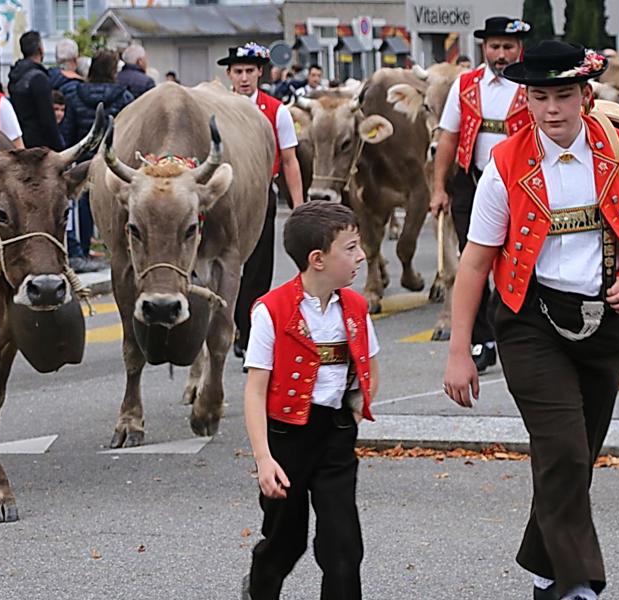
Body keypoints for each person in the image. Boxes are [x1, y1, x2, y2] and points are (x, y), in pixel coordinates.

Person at [442, 40, 619, 600]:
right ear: (524, 101)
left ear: (586, 96)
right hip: (529, 322)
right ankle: (578, 584)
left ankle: (542, 565)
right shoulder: (504, 166)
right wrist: (460, 350)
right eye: (540, 96)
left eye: (564, 95)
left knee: (575, 458)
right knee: (566, 451)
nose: (552, 109)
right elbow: (475, 262)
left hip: (607, 320)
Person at [241, 201, 379, 600]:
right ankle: (260, 588)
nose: (361, 256)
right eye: (350, 248)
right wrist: (264, 459)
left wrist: (355, 407)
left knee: (343, 547)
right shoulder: (272, 311)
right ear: (318, 259)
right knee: (285, 543)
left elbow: (369, 363)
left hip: (335, 436)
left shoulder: (355, 307)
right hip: (286, 438)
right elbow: (255, 389)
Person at [432, 16, 533, 373]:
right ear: (484, 48)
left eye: (507, 47)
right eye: (494, 46)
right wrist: (438, 187)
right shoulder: (466, 84)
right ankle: (481, 339)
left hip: (522, 186)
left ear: (519, 49)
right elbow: (448, 136)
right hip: (472, 184)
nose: (501, 54)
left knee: (519, 260)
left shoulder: (531, 82)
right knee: (471, 262)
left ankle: (516, 335)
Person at [218, 43, 305, 361]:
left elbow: (290, 160)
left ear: (260, 73)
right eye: (238, 71)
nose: (244, 78)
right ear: (229, 74)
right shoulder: (218, 108)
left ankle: (248, 333)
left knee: (257, 269)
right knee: (221, 265)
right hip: (222, 195)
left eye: (249, 71)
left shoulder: (275, 110)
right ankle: (224, 329)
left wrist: (298, 205)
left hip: (258, 195)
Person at [61, 49, 134, 273]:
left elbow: (68, 130)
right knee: (119, 205)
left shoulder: (75, 95)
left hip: (85, 160)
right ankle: (120, 249)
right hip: (115, 161)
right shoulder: (124, 97)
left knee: (83, 205)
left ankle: (82, 251)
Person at [8, 30, 64, 150]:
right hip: (39, 145)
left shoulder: (15, 76)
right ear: (40, 49)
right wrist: (58, 147)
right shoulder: (39, 78)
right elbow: (47, 118)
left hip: (21, 140)